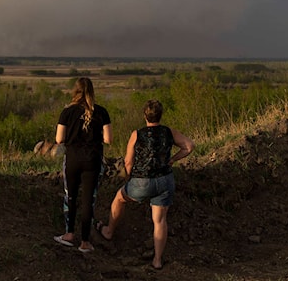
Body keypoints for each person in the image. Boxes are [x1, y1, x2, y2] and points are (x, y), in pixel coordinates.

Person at [97, 99, 194, 270]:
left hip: (142, 181)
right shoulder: (168, 132)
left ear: (145, 116)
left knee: (119, 199)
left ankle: (108, 231)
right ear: (161, 115)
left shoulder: (137, 134)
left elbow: (128, 162)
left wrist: (129, 178)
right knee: (160, 220)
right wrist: (172, 159)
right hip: (165, 180)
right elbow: (188, 146)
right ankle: (157, 260)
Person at [54, 77, 112, 253]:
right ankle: (85, 242)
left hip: (72, 159)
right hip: (93, 160)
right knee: (88, 200)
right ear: (92, 91)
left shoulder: (67, 112)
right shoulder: (101, 112)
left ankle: (69, 234)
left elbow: (59, 139)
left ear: (75, 91)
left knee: (70, 196)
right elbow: (108, 139)